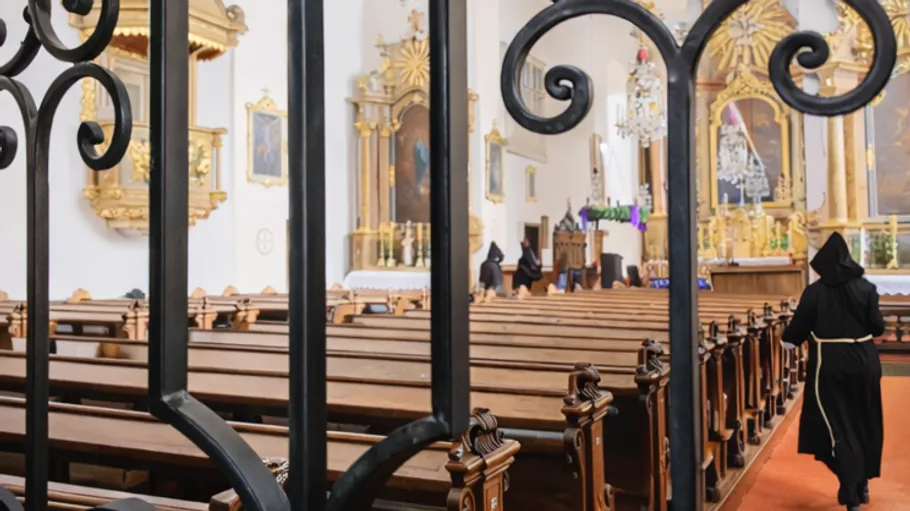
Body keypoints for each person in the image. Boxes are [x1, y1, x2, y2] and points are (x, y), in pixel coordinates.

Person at [781, 232, 885, 511]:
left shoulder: (814, 292)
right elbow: (878, 328)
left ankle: (850, 487)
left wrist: (787, 341)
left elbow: (795, 332)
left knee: (834, 425)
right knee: (865, 421)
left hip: (830, 363)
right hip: (865, 361)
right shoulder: (867, 288)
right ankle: (861, 479)